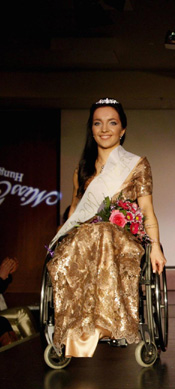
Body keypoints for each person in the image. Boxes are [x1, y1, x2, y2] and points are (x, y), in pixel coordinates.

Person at [46, 98, 166, 358]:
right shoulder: (83, 170)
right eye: (98, 123)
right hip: (84, 240)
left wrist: (155, 246)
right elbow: (74, 212)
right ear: (91, 129)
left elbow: (147, 211)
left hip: (121, 240)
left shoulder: (136, 165)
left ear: (122, 130)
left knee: (103, 232)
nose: (104, 128)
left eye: (112, 122)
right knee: (84, 238)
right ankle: (75, 327)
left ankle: (105, 324)